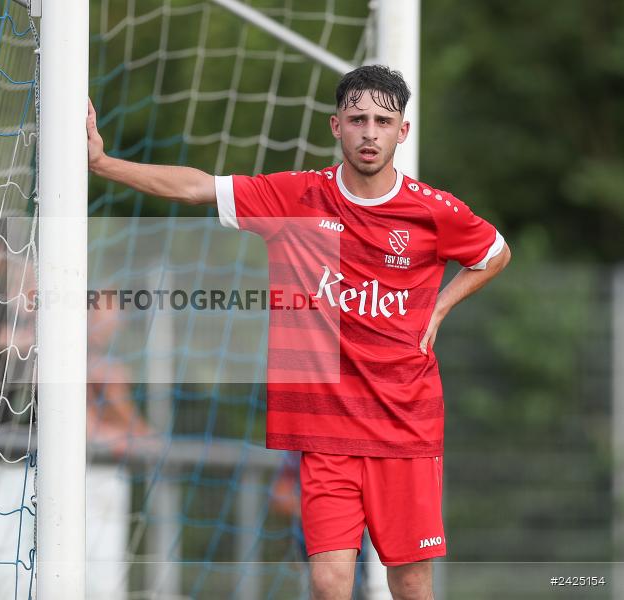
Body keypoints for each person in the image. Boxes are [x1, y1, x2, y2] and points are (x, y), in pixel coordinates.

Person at [86, 65, 511, 599]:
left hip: (405, 427)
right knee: (328, 579)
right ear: (337, 126)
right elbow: (199, 187)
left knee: (409, 580)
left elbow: (494, 253)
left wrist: (441, 309)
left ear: (403, 130)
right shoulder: (297, 198)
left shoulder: (431, 210)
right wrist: (103, 164)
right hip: (325, 430)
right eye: (358, 119)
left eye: (383, 121)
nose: (370, 132)